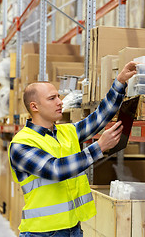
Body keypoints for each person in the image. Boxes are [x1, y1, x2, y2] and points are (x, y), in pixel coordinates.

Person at [9, 61, 137, 237]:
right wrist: (98, 147)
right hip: (42, 233)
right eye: (52, 98)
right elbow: (56, 169)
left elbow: (99, 117)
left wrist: (120, 82)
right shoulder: (21, 144)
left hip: (73, 229)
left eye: (58, 97)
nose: (60, 102)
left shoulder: (67, 131)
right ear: (34, 107)